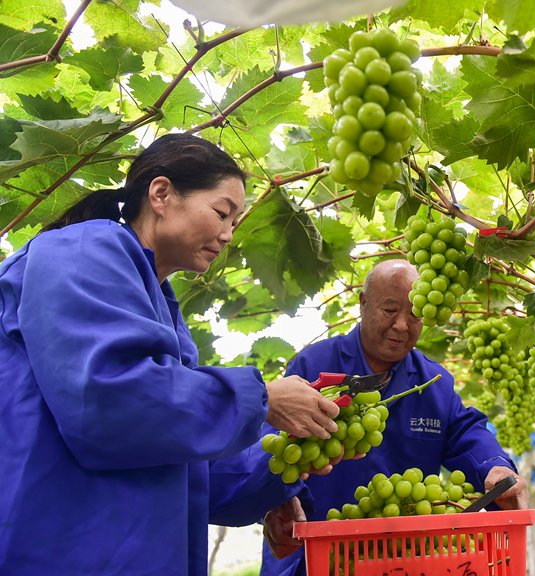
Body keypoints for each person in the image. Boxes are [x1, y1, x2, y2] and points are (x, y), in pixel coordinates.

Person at [0, 133, 342, 576]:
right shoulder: (81, 251)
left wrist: (281, 469)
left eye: (235, 223)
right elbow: (112, 404)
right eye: (222, 213)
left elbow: (190, 474)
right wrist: (264, 399)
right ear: (161, 194)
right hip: (56, 555)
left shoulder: (159, 305)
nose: (227, 235)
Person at [259, 259, 529, 576]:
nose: (402, 324)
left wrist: (494, 466)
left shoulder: (433, 382)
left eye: (415, 313)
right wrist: (280, 501)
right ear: (363, 303)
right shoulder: (314, 365)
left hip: (402, 560)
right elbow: (276, 450)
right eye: (389, 310)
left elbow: (465, 431)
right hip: (316, 555)